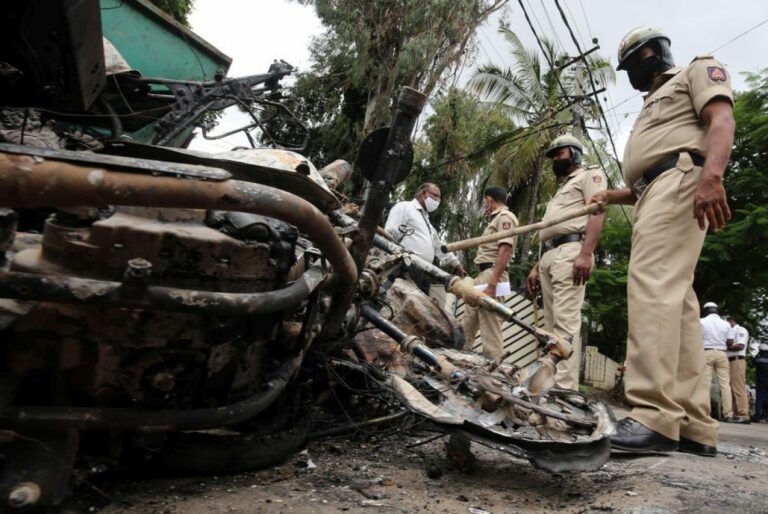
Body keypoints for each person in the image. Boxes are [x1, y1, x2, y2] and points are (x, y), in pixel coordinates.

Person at [588, 27, 735, 456]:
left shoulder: (694, 72)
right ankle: (692, 424)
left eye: (632, 63)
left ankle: (653, 415)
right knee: (681, 306)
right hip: (655, 190)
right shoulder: (651, 102)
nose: (630, 74)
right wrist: (613, 196)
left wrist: (712, 176)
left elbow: (721, 120)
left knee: (651, 283)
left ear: (650, 53)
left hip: (681, 180)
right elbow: (647, 169)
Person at [526, 134, 606, 390]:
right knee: (551, 330)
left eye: (559, 154)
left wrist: (586, 253)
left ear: (574, 152)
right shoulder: (562, 188)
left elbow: (597, 211)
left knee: (565, 325)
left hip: (572, 251)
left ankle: (565, 393)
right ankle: (548, 390)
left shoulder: (589, 175)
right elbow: (552, 229)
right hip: (550, 255)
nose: (555, 160)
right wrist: (538, 265)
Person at [460, 186, 518, 359]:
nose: (485, 204)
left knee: (490, 325)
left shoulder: (505, 217)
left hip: (495, 275)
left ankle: (496, 372)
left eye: (485, 201)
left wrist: (493, 283)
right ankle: (459, 358)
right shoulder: (495, 219)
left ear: (489, 199)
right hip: (485, 274)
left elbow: (505, 250)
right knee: (467, 322)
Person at [384, 182, 466, 292]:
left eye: (439, 198)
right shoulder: (404, 207)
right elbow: (390, 233)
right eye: (435, 196)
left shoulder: (428, 224)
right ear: (423, 194)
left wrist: (456, 264)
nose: (437, 201)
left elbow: (439, 247)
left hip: (423, 272)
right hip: (403, 266)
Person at [700, 302, 734, 421]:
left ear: (706, 310)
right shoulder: (726, 324)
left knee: (705, 383)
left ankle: (705, 413)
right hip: (722, 354)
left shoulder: (701, 321)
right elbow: (730, 341)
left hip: (706, 352)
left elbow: (695, 337)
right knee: (725, 384)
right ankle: (728, 414)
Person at [725, 314, 751, 423]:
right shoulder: (729, 332)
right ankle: (736, 413)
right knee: (731, 388)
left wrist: (724, 346)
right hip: (729, 360)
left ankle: (744, 414)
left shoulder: (741, 330)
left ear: (732, 320)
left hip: (737, 360)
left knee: (738, 387)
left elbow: (740, 346)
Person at [750, 338, 768, 422]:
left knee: (759, 399)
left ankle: (757, 416)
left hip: (760, 381)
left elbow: (752, 362)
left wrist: (758, 353)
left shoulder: (758, 359)